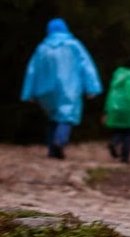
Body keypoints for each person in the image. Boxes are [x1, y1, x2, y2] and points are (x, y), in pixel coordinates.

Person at [20, 17, 103, 159]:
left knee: (53, 118)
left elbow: (32, 70)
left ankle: (51, 150)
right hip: (69, 88)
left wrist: (28, 93)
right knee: (66, 117)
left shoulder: (42, 48)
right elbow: (86, 66)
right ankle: (59, 141)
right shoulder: (73, 45)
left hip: (45, 90)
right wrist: (92, 88)